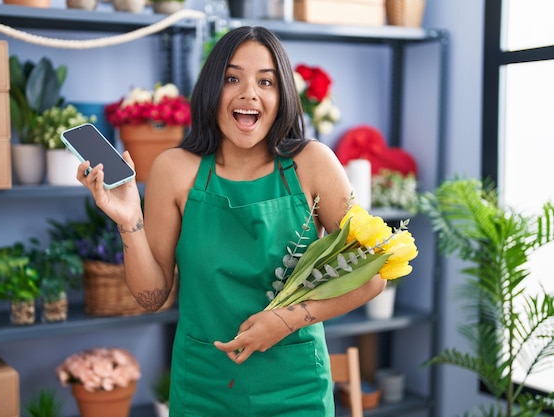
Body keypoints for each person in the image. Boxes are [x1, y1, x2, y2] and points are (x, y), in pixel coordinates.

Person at [78, 25, 385, 417]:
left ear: (282, 95)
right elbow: (150, 297)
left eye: (266, 81)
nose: (248, 93)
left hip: (297, 390)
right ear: (212, 89)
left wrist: (287, 320)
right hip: (204, 388)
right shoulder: (174, 170)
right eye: (232, 78)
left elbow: (374, 272)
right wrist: (128, 221)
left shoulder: (312, 165)